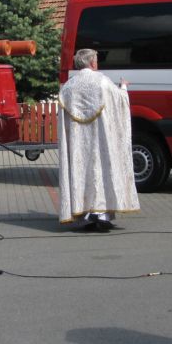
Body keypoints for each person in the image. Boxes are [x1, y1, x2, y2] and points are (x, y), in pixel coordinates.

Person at [57, 48, 139, 230]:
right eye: (96, 59)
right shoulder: (102, 81)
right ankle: (101, 214)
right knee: (100, 172)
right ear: (92, 62)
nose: (97, 63)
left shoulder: (68, 87)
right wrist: (123, 87)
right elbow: (119, 101)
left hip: (78, 144)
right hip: (100, 139)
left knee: (82, 173)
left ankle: (85, 215)